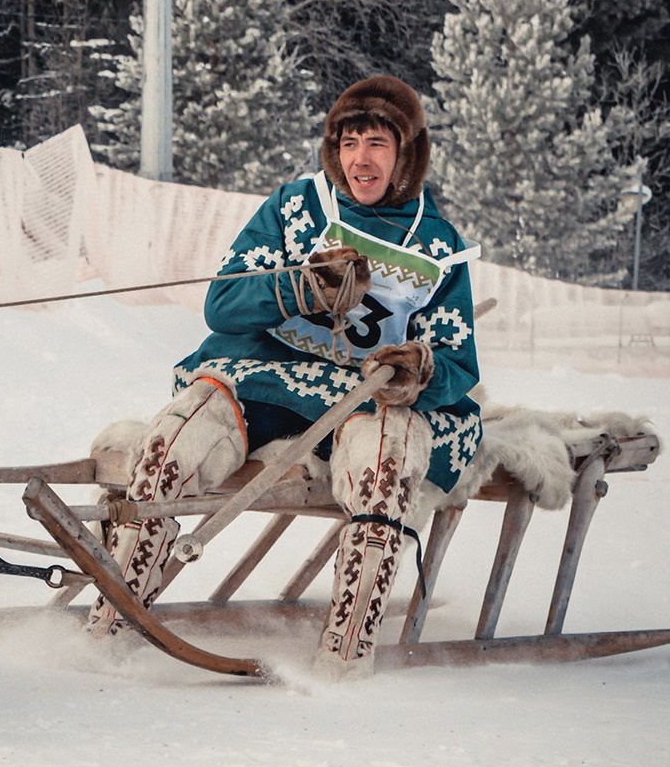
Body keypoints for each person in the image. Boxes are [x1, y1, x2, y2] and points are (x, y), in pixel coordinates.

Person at [92, 76, 481, 676]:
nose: (360, 158)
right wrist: (299, 287)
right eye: (348, 142)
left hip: (362, 400)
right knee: (176, 437)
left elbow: (457, 361)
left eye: (377, 142)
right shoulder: (295, 208)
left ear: (407, 154)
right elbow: (221, 307)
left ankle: (342, 662)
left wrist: (416, 369)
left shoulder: (439, 245)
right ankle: (109, 629)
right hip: (262, 375)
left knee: (387, 460)